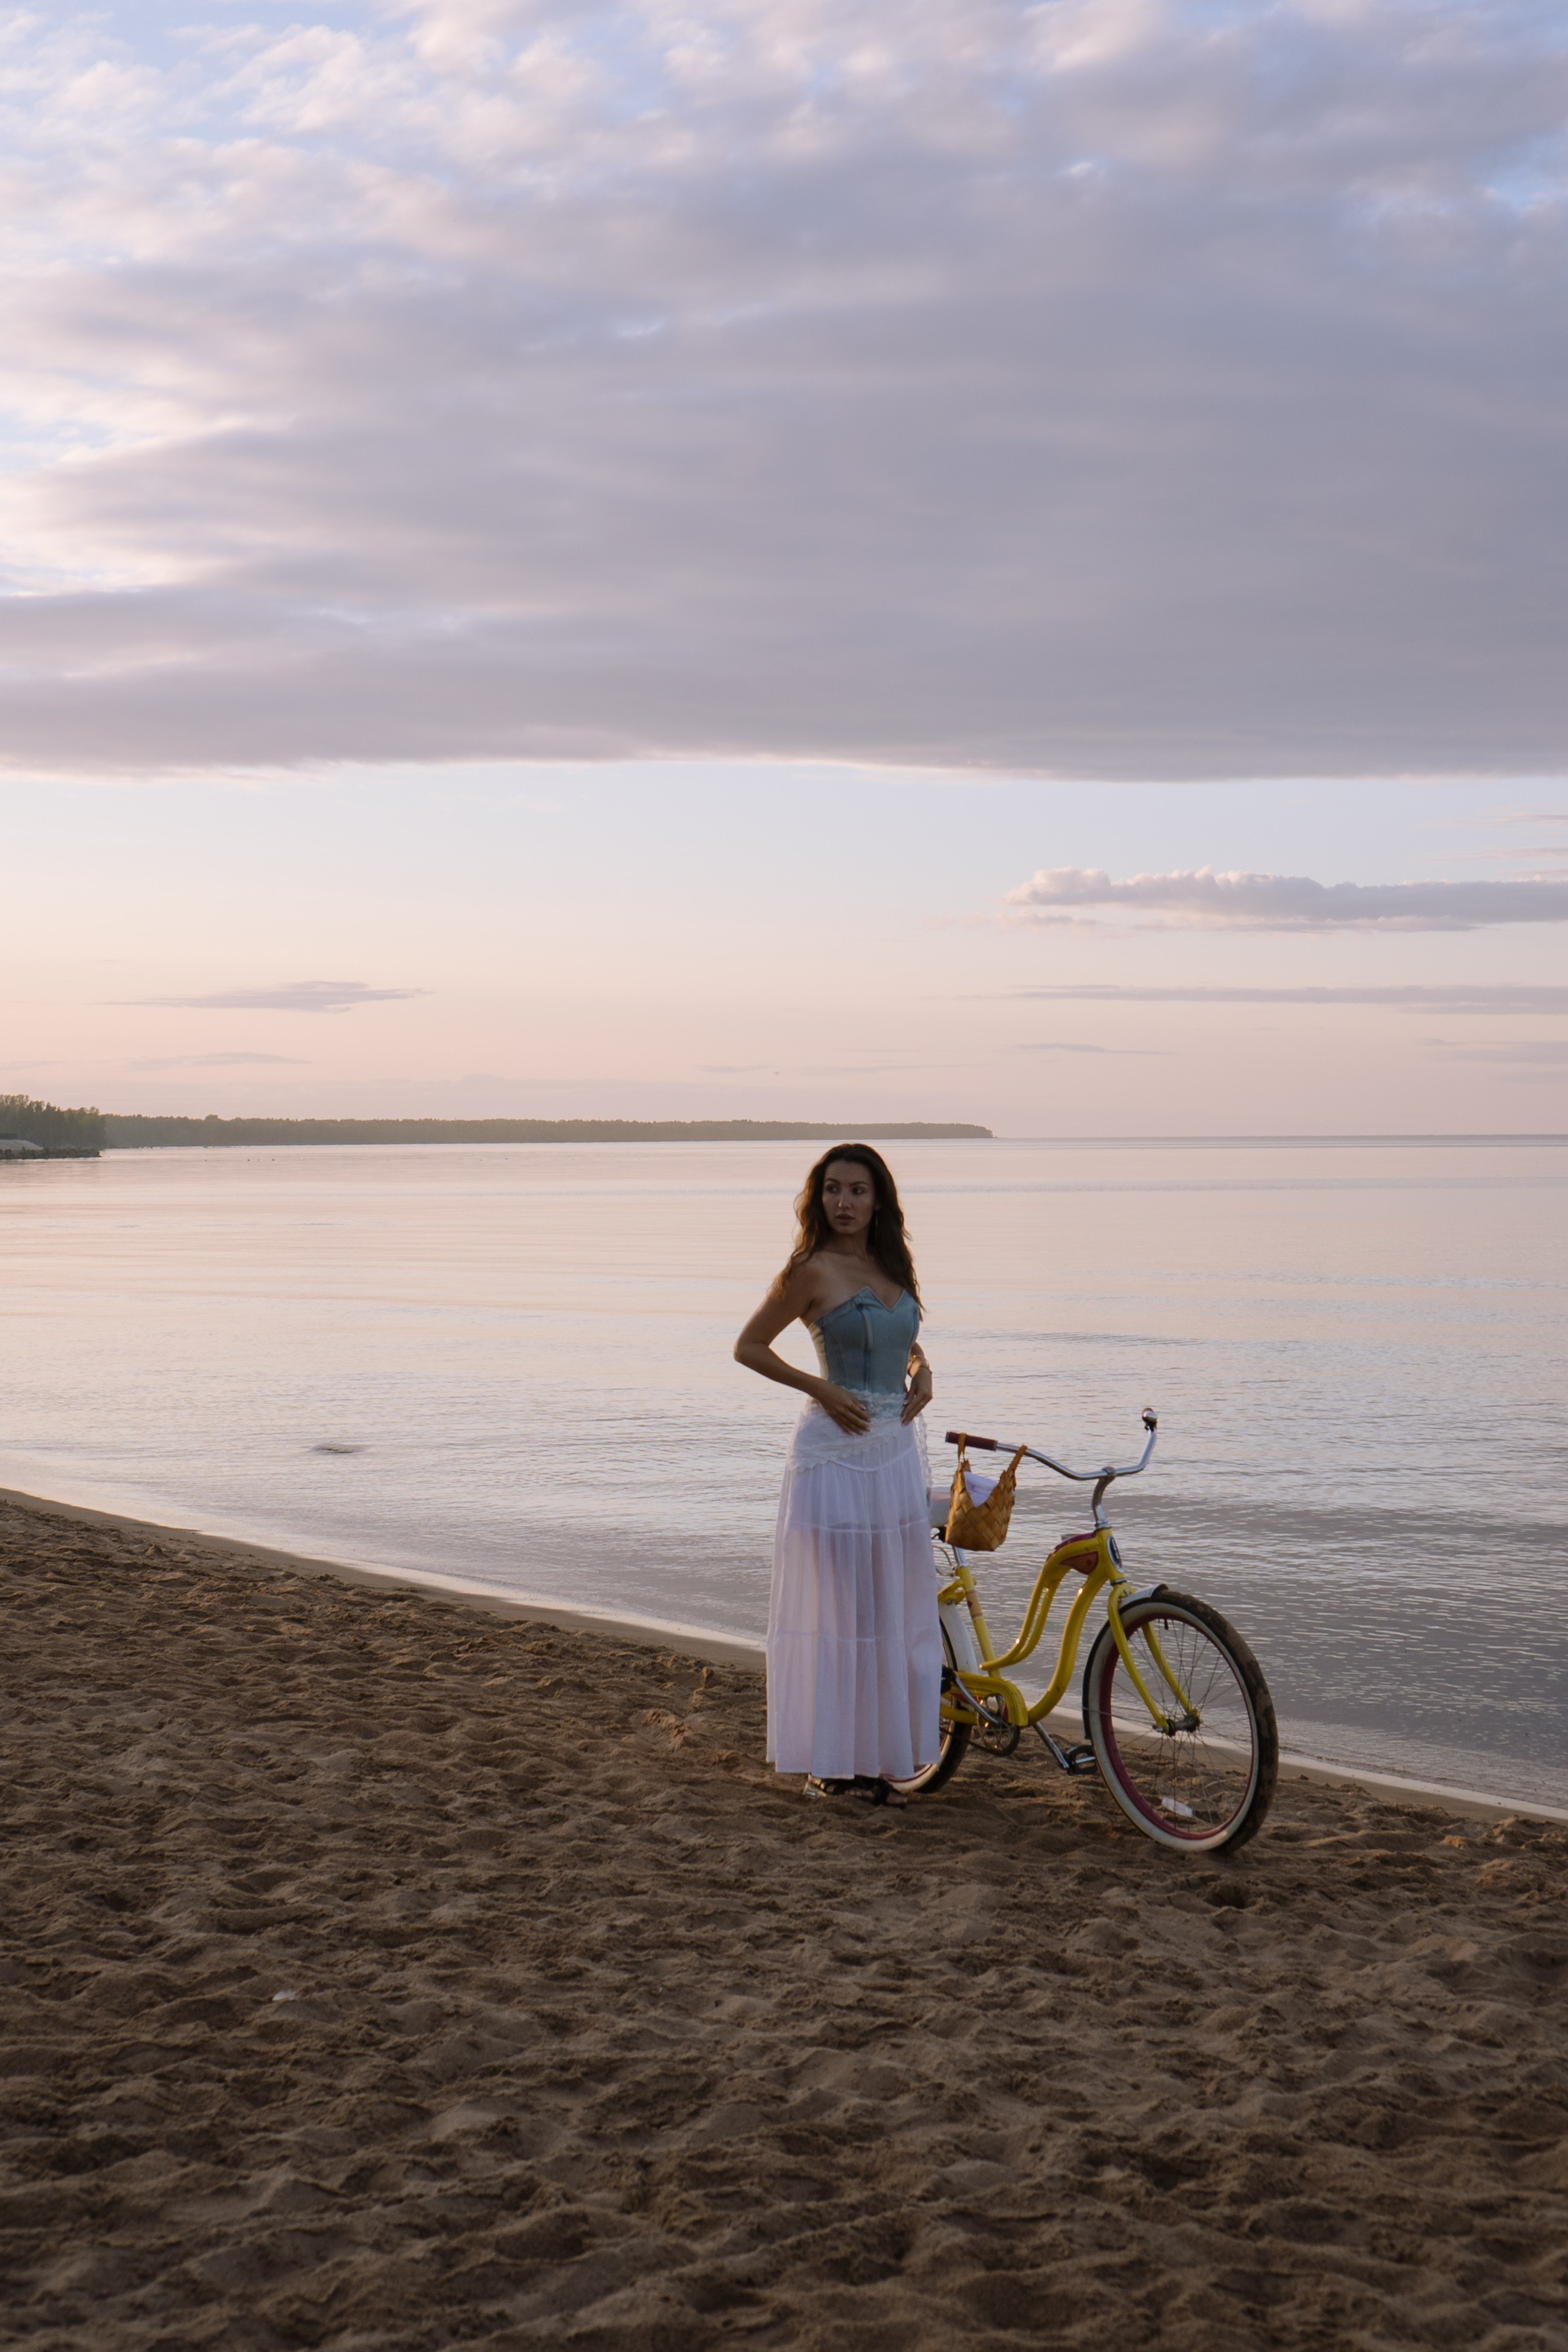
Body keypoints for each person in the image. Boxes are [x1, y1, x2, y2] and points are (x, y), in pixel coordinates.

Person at [734, 1144, 941, 1807]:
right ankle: (830, 1764)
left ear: (879, 1199)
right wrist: (821, 1390)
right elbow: (749, 1346)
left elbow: (896, 1332)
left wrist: (923, 1369)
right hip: (833, 1454)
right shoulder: (808, 1269)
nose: (844, 1202)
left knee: (889, 1608)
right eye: (832, 1190)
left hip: (893, 1453)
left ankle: (878, 1759)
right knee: (841, 1611)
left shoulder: (889, 1264)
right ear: (817, 1197)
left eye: (857, 1190)